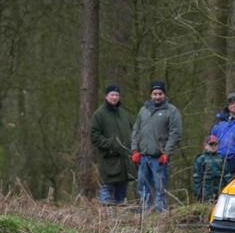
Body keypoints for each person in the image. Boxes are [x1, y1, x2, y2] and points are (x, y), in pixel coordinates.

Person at [131, 80, 183, 213]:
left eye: (160, 93)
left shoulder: (171, 111)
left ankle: (161, 214)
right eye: (154, 93)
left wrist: (167, 153)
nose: (157, 96)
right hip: (143, 157)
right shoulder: (143, 110)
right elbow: (136, 131)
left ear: (164, 94)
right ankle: (144, 213)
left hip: (159, 158)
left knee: (160, 188)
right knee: (142, 186)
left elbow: (175, 133)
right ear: (150, 95)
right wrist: (135, 150)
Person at [90, 85, 135, 205]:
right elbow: (95, 136)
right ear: (106, 96)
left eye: (117, 95)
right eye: (112, 95)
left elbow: (134, 131)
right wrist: (111, 144)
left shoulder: (124, 114)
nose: (114, 97)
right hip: (108, 160)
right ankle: (104, 221)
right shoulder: (99, 114)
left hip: (125, 161)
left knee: (121, 197)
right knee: (106, 191)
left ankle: (120, 221)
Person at [192, 134, 227, 202]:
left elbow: (226, 174)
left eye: (215, 145)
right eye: (211, 145)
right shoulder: (201, 159)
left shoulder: (221, 158)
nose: (213, 147)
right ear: (205, 146)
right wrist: (198, 192)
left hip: (219, 188)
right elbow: (197, 177)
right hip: (206, 190)